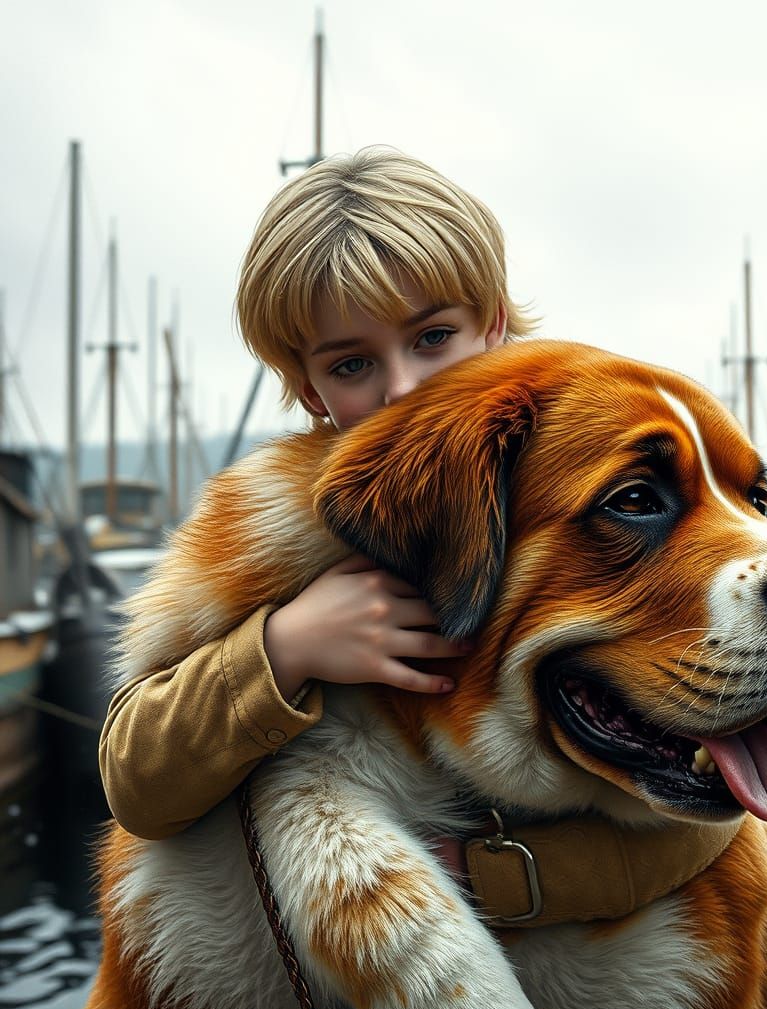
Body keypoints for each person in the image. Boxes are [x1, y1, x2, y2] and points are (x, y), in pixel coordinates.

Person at [99, 147, 722, 923]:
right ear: (307, 388)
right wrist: (283, 648)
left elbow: (713, 826)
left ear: (492, 323)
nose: (402, 389)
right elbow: (137, 781)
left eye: (432, 338)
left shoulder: (580, 454)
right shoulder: (290, 525)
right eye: (354, 363)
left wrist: (483, 880)